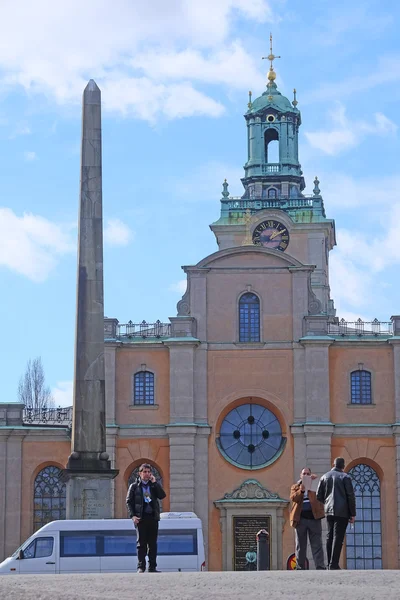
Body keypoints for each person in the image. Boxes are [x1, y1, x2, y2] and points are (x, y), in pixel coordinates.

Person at [316, 457, 356, 570]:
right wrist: (352, 513)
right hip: (342, 511)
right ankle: (334, 564)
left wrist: (327, 502)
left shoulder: (324, 476)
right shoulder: (346, 477)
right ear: (343, 466)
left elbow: (319, 495)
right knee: (338, 537)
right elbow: (350, 496)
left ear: (333, 464)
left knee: (329, 536)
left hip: (329, 511)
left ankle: (329, 563)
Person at [126, 463, 166, 573]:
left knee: (153, 544)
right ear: (140, 473)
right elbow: (128, 502)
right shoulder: (134, 487)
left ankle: (152, 567)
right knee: (141, 544)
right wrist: (132, 516)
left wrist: (155, 483)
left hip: (152, 517)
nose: (147, 474)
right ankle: (141, 567)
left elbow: (162, 496)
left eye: (149, 472)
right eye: (145, 472)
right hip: (141, 518)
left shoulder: (153, 486)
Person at [290, 467, 326, 570]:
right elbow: (293, 498)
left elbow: (322, 495)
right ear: (301, 476)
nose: (306, 475)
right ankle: (300, 566)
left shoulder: (315, 485)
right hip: (301, 519)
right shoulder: (295, 487)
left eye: (307, 474)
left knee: (317, 543)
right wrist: (301, 491)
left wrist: (316, 481)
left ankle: (320, 565)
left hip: (314, 518)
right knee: (300, 544)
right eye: (304, 474)